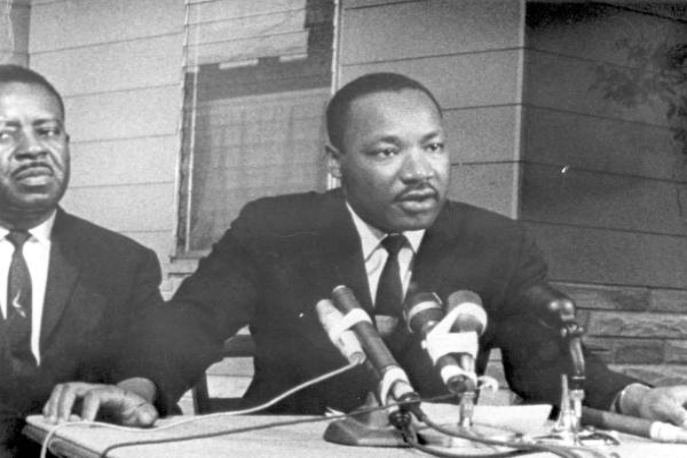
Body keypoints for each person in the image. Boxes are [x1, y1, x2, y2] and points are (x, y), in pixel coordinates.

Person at [44, 72, 687, 429]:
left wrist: (636, 397)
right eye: (387, 151)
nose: (419, 171)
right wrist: (136, 385)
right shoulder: (275, 228)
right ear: (336, 164)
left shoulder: (496, 242)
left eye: (433, 147)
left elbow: (544, 357)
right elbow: (193, 319)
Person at [0, 64, 164, 456]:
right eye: (6, 134)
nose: (33, 148)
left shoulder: (124, 263)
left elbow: (150, 363)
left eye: (47, 131)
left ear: (67, 143)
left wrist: (129, 395)